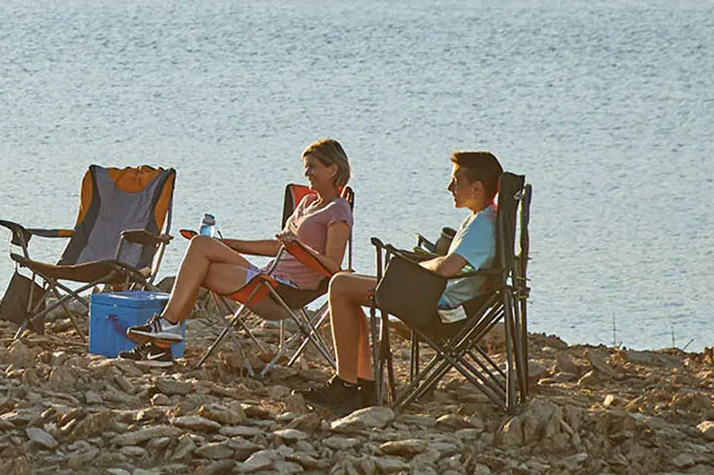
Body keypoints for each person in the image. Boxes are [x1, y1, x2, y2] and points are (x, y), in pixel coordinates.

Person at [297, 150, 504, 414]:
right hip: (435, 294)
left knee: (340, 286)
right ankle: (360, 383)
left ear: (476, 187)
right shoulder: (483, 217)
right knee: (344, 285)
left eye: (456, 182)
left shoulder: (481, 225)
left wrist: (416, 268)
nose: (450, 187)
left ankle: (348, 385)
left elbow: (448, 267)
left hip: (437, 304)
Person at [126, 139, 353, 358]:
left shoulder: (338, 210)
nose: (307, 173)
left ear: (332, 169)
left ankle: (163, 336)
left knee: (200, 258)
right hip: (269, 278)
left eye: (312, 167)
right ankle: (162, 341)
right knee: (202, 247)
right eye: (306, 168)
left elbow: (333, 266)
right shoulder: (306, 203)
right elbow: (277, 247)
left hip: (286, 292)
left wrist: (298, 247)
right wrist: (227, 244)